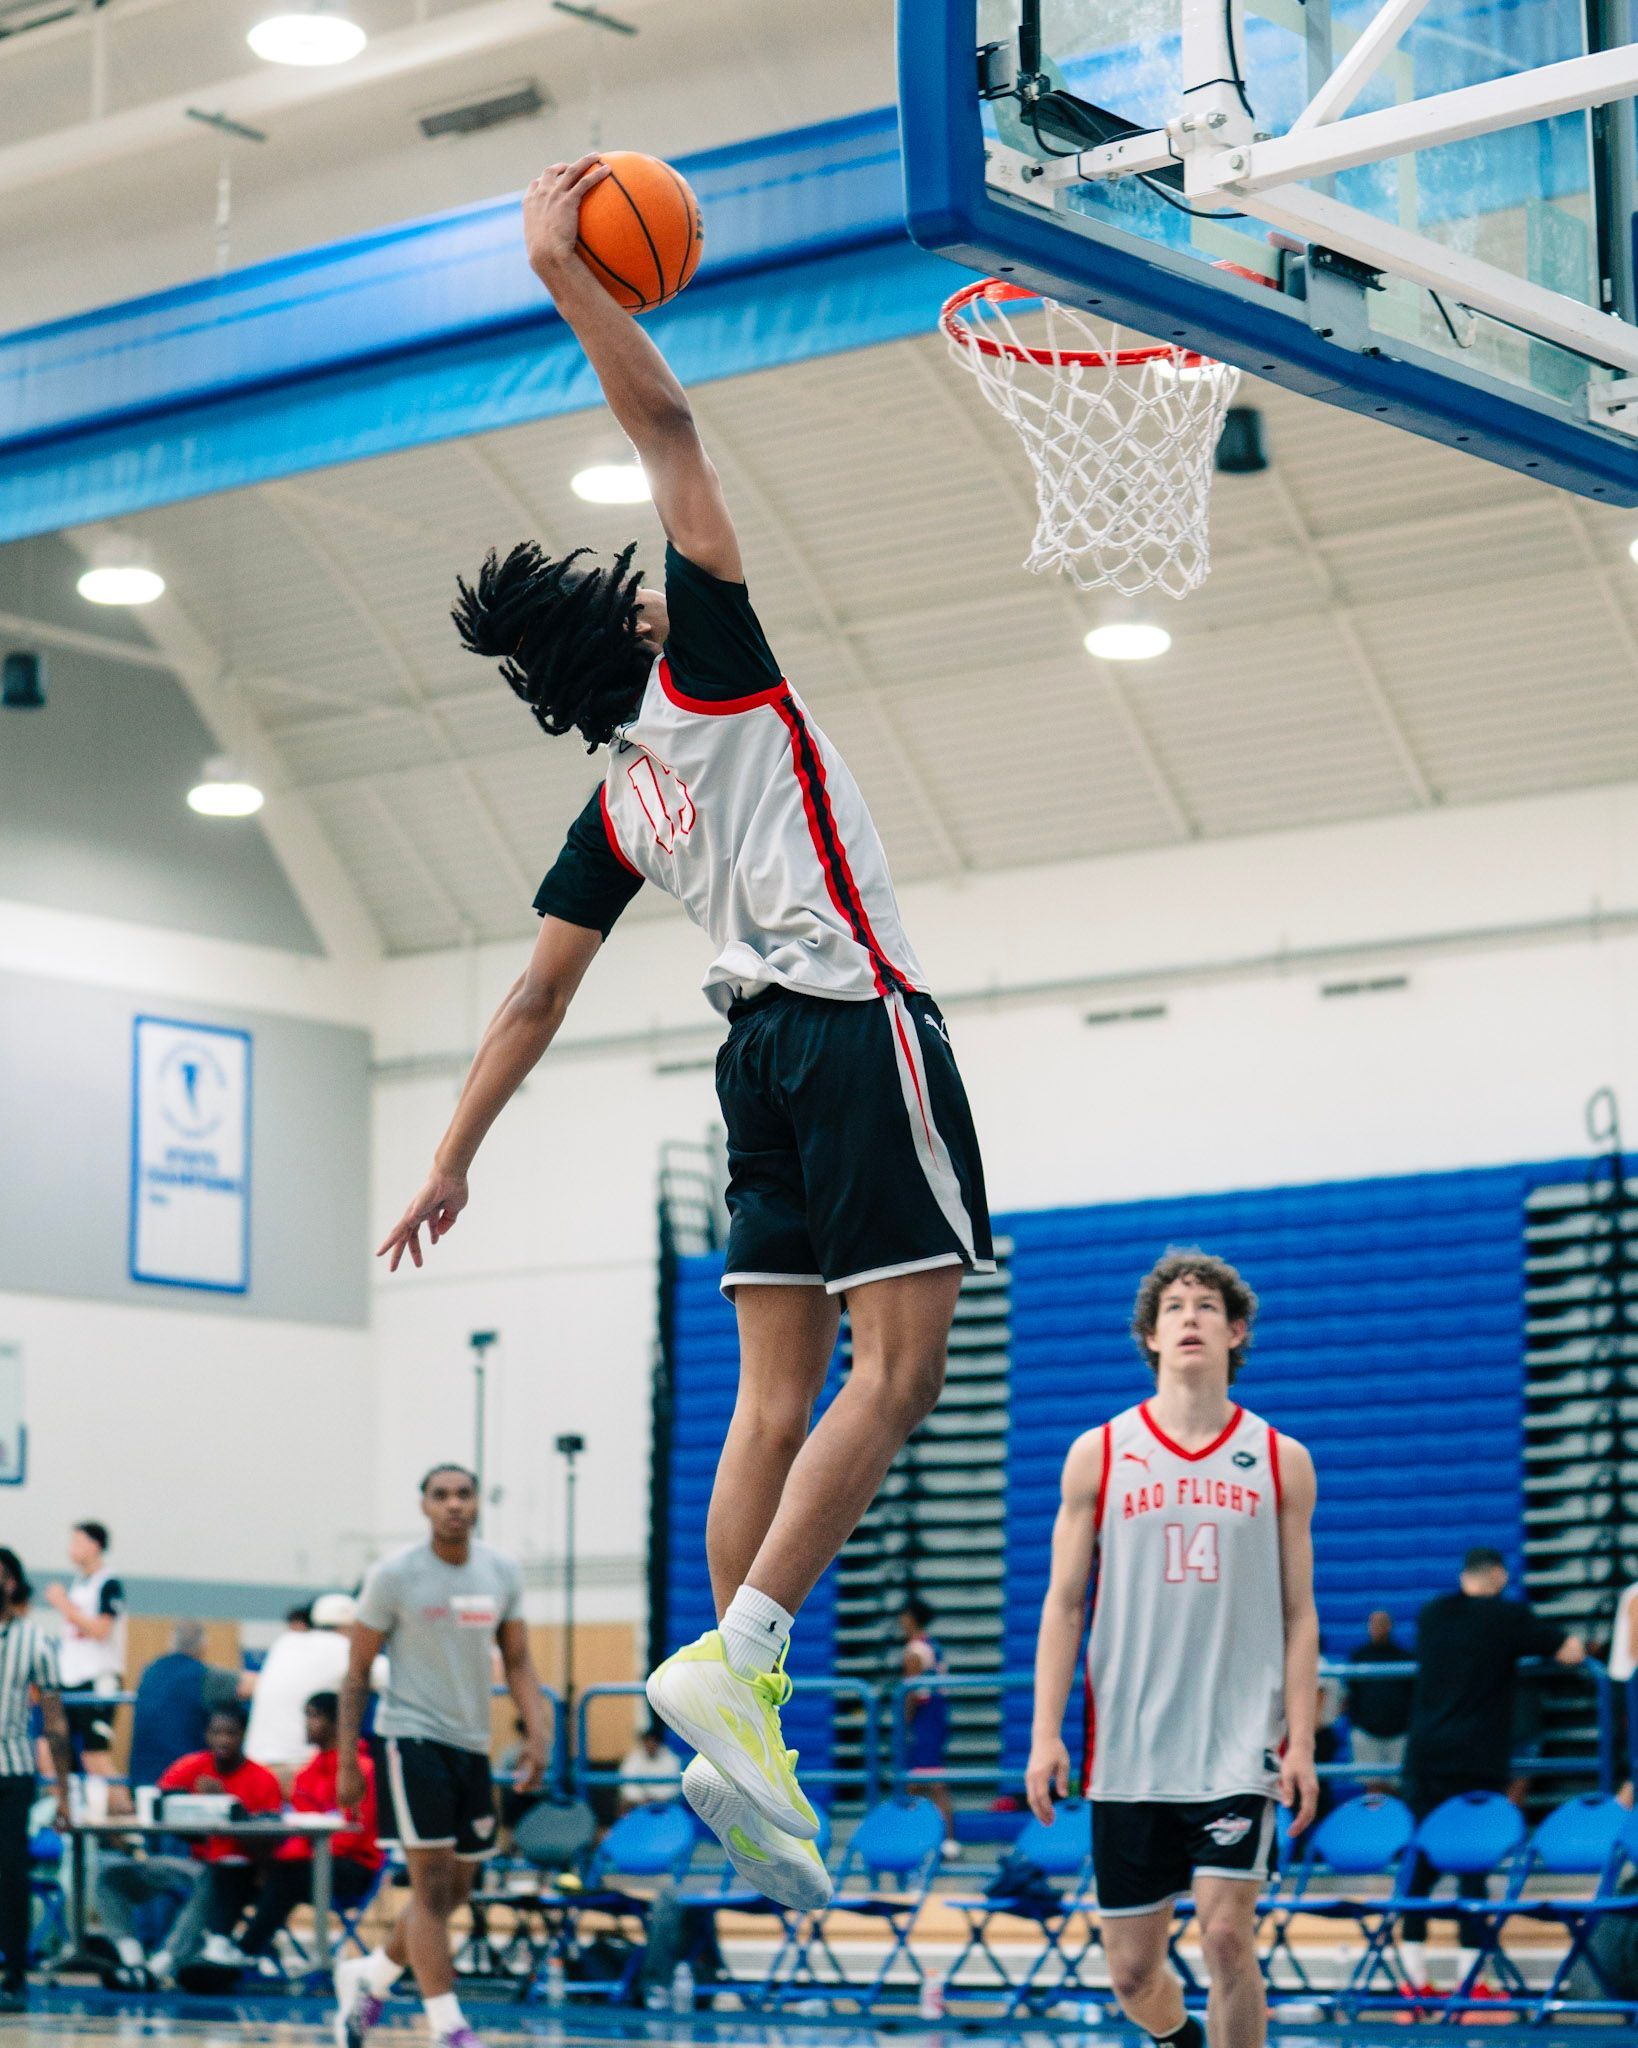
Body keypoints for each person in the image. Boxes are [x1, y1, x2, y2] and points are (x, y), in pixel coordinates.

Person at [377, 154, 993, 1916]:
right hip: (849, 1023)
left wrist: (449, 1160)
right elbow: (667, 431)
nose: (661, 571)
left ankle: (736, 1724)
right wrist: (571, 277)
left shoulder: (620, 802)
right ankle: (742, 1659)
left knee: (772, 1389)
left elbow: (533, 995)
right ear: (635, 618)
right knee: (901, 1373)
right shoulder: (706, 662)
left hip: (745, 1064)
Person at [1026, 1250, 1319, 2048]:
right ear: (1150, 1337)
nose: (1189, 1317)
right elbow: (1063, 1602)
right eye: (1173, 1308)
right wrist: (1046, 1733)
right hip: (1130, 1746)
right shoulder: (1102, 1451)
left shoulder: (1280, 1459)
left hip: (1239, 1744)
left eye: (1205, 1306)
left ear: (1237, 1330)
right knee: (1131, 1975)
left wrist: (1303, 1739)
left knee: (1227, 1938)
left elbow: (1300, 1613)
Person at [332, 1464, 548, 2048]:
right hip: (411, 1739)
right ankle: (448, 2027)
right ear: (424, 1506)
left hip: (472, 1747)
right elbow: (354, 1677)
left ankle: (370, 1977)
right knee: (428, 1890)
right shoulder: (393, 1576)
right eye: (441, 1495)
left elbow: (520, 1661)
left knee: (457, 1892)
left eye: (463, 1494)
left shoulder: (501, 1571)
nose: (453, 1504)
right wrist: (347, 1762)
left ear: (478, 1503)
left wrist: (538, 1731)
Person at [1396, 1548, 1586, 1993]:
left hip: (1423, 1755)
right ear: (1499, 1576)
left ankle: (1413, 1981)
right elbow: (1569, 1651)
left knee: (1420, 1866)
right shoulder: (1507, 1616)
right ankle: (1469, 1982)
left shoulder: (1432, 1614)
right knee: (1472, 1868)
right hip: (1473, 1758)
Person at [95, 1704, 282, 1988]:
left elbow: (269, 1842)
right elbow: (158, 1808)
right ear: (206, 1735)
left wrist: (224, 1804)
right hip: (192, 1862)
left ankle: (162, 1964)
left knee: (212, 1876)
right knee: (110, 1877)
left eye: (230, 1733)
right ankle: (132, 1961)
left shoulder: (262, 1779)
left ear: (243, 1734)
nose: (223, 1740)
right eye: (216, 1732)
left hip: (237, 1871)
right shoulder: (189, 1767)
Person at [233, 1692, 383, 1961]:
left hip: (354, 1868)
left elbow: (352, 1836)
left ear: (338, 1724)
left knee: (286, 1875)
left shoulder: (363, 1770)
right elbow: (296, 1835)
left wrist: (285, 1861)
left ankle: (245, 1951)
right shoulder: (305, 1774)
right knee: (241, 1868)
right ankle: (222, 1943)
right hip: (309, 1864)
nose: (306, 1723)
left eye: (314, 1716)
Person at [0, 1548, 72, 2014]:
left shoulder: (34, 1641)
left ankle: (13, 1973)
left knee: (10, 1874)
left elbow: (56, 1723)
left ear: (13, 1583)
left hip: (13, 1771)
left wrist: (63, 1792)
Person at [246, 1594, 356, 1782]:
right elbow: (390, 1677)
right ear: (350, 1627)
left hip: (255, 1763)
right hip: (297, 1766)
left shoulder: (286, 1643)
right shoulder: (343, 1648)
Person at [44, 1521, 125, 1776]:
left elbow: (101, 1630)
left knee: (94, 1755)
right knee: (50, 1748)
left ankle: (124, 1810)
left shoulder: (108, 1583)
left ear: (95, 1545)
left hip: (98, 1677)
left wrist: (64, 1605)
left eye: (78, 1542)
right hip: (70, 1677)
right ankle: (60, 1807)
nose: (72, 1548)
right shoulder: (79, 1583)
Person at [125, 1620, 242, 1796]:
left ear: (171, 1643)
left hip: (141, 1783)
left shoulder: (149, 1673)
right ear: (204, 1646)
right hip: (184, 1785)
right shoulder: (204, 1676)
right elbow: (253, 1685)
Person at [900, 1595, 957, 1854]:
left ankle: (945, 1840)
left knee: (928, 1782)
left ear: (910, 1618)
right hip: (937, 1717)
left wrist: (905, 1721)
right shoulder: (933, 1645)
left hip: (925, 1719)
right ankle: (935, 1839)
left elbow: (911, 1693)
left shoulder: (914, 1651)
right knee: (921, 1781)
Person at [1343, 1611, 1415, 1791]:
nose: (1377, 1628)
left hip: (1399, 1732)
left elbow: (1413, 1696)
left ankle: (1394, 1818)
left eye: (1382, 1623)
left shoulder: (1405, 1657)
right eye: (1373, 1623)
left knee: (1396, 1787)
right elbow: (1350, 1694)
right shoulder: (1358, 1656)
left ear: (1390, 1626)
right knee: (1372, 1788)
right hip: (1366, 1731)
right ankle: (1375, 1817)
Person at [617, 1723, 683, 1812]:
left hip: (665, 1804)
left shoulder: (671, 1759)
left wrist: (656, 1799)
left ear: (659, 1743)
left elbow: (674, 1788)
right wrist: (641, 1799)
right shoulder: (633, 1758)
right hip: (637, 1803)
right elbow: (627, 1784)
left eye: (653, 1741)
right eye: (647, 1741)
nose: (650, 1745)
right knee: (624, 1804)